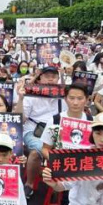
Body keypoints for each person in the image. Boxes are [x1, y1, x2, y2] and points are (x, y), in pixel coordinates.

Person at [20, 66, 66, 196]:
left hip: (56, 133)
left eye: (54, 76)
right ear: (40, 79)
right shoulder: (31, 94)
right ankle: (29, 185)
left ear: (58, 79)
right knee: (36, 152)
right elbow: (22, 119)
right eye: (47, 76)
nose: (51, 79)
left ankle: (61, 182)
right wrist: (20, 99)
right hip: (34, 131)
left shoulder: (63, 96)